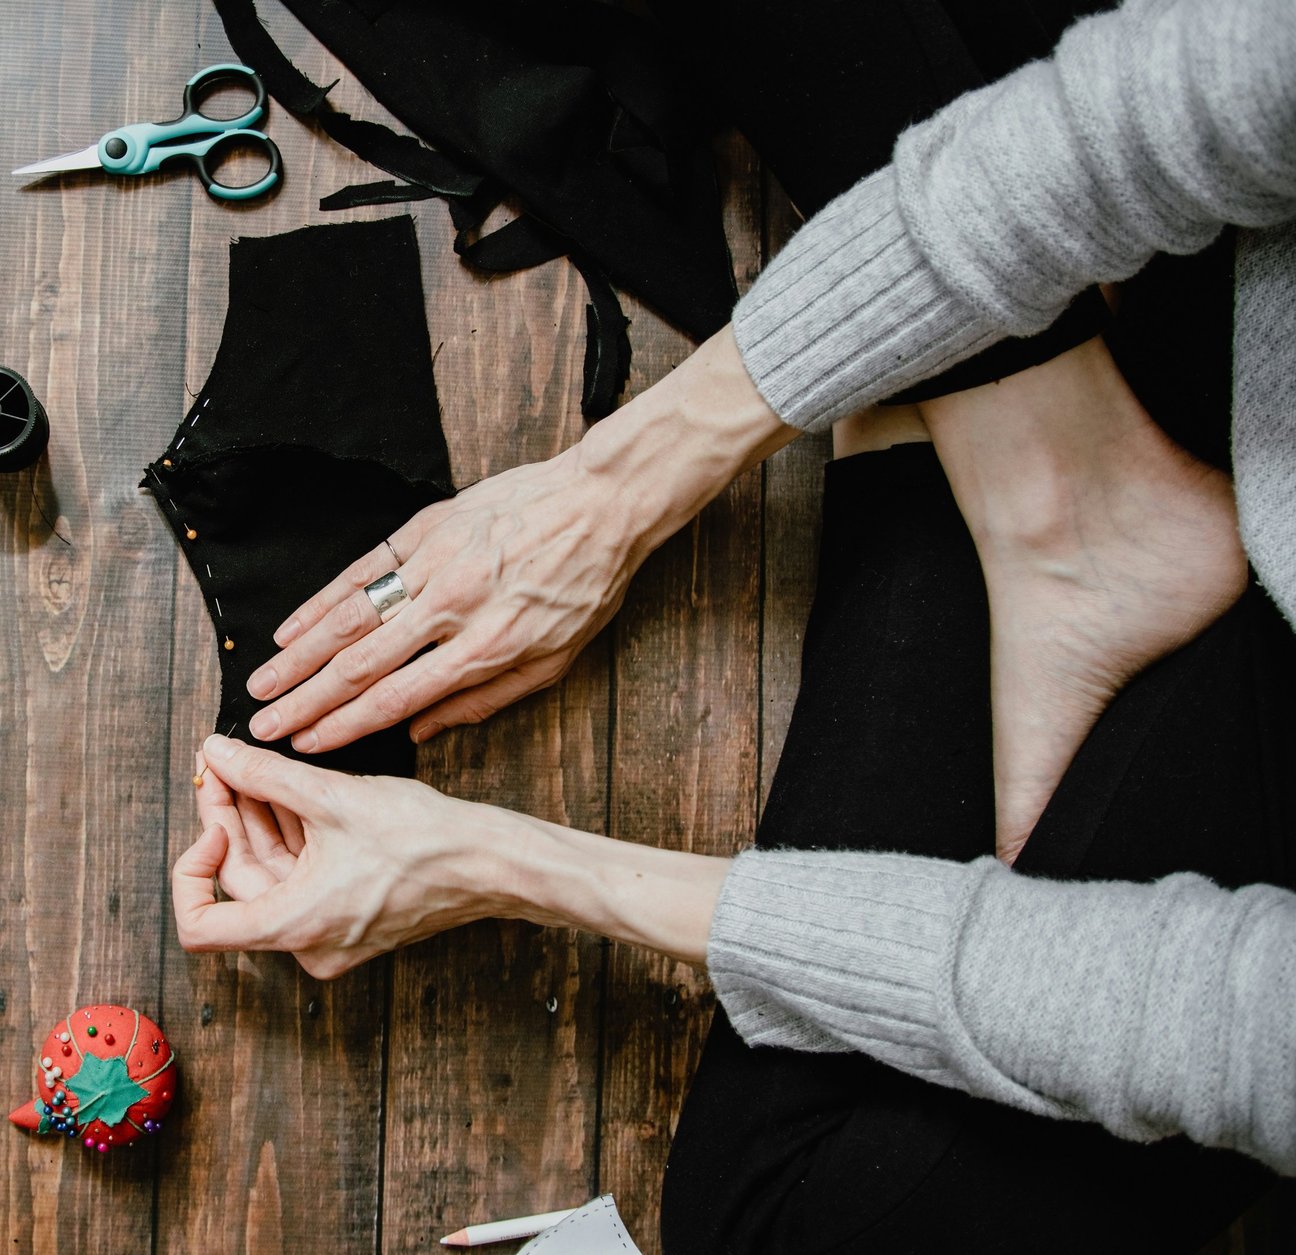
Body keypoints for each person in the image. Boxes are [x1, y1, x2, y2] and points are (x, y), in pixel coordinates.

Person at [169, 0, 1296, 1238]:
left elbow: (1183, 1014)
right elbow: (1132, 118)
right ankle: (1030, 461)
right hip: (1245, 300)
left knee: (779, 1220)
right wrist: (609, 492)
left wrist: (492, 863)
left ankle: (991, 435)